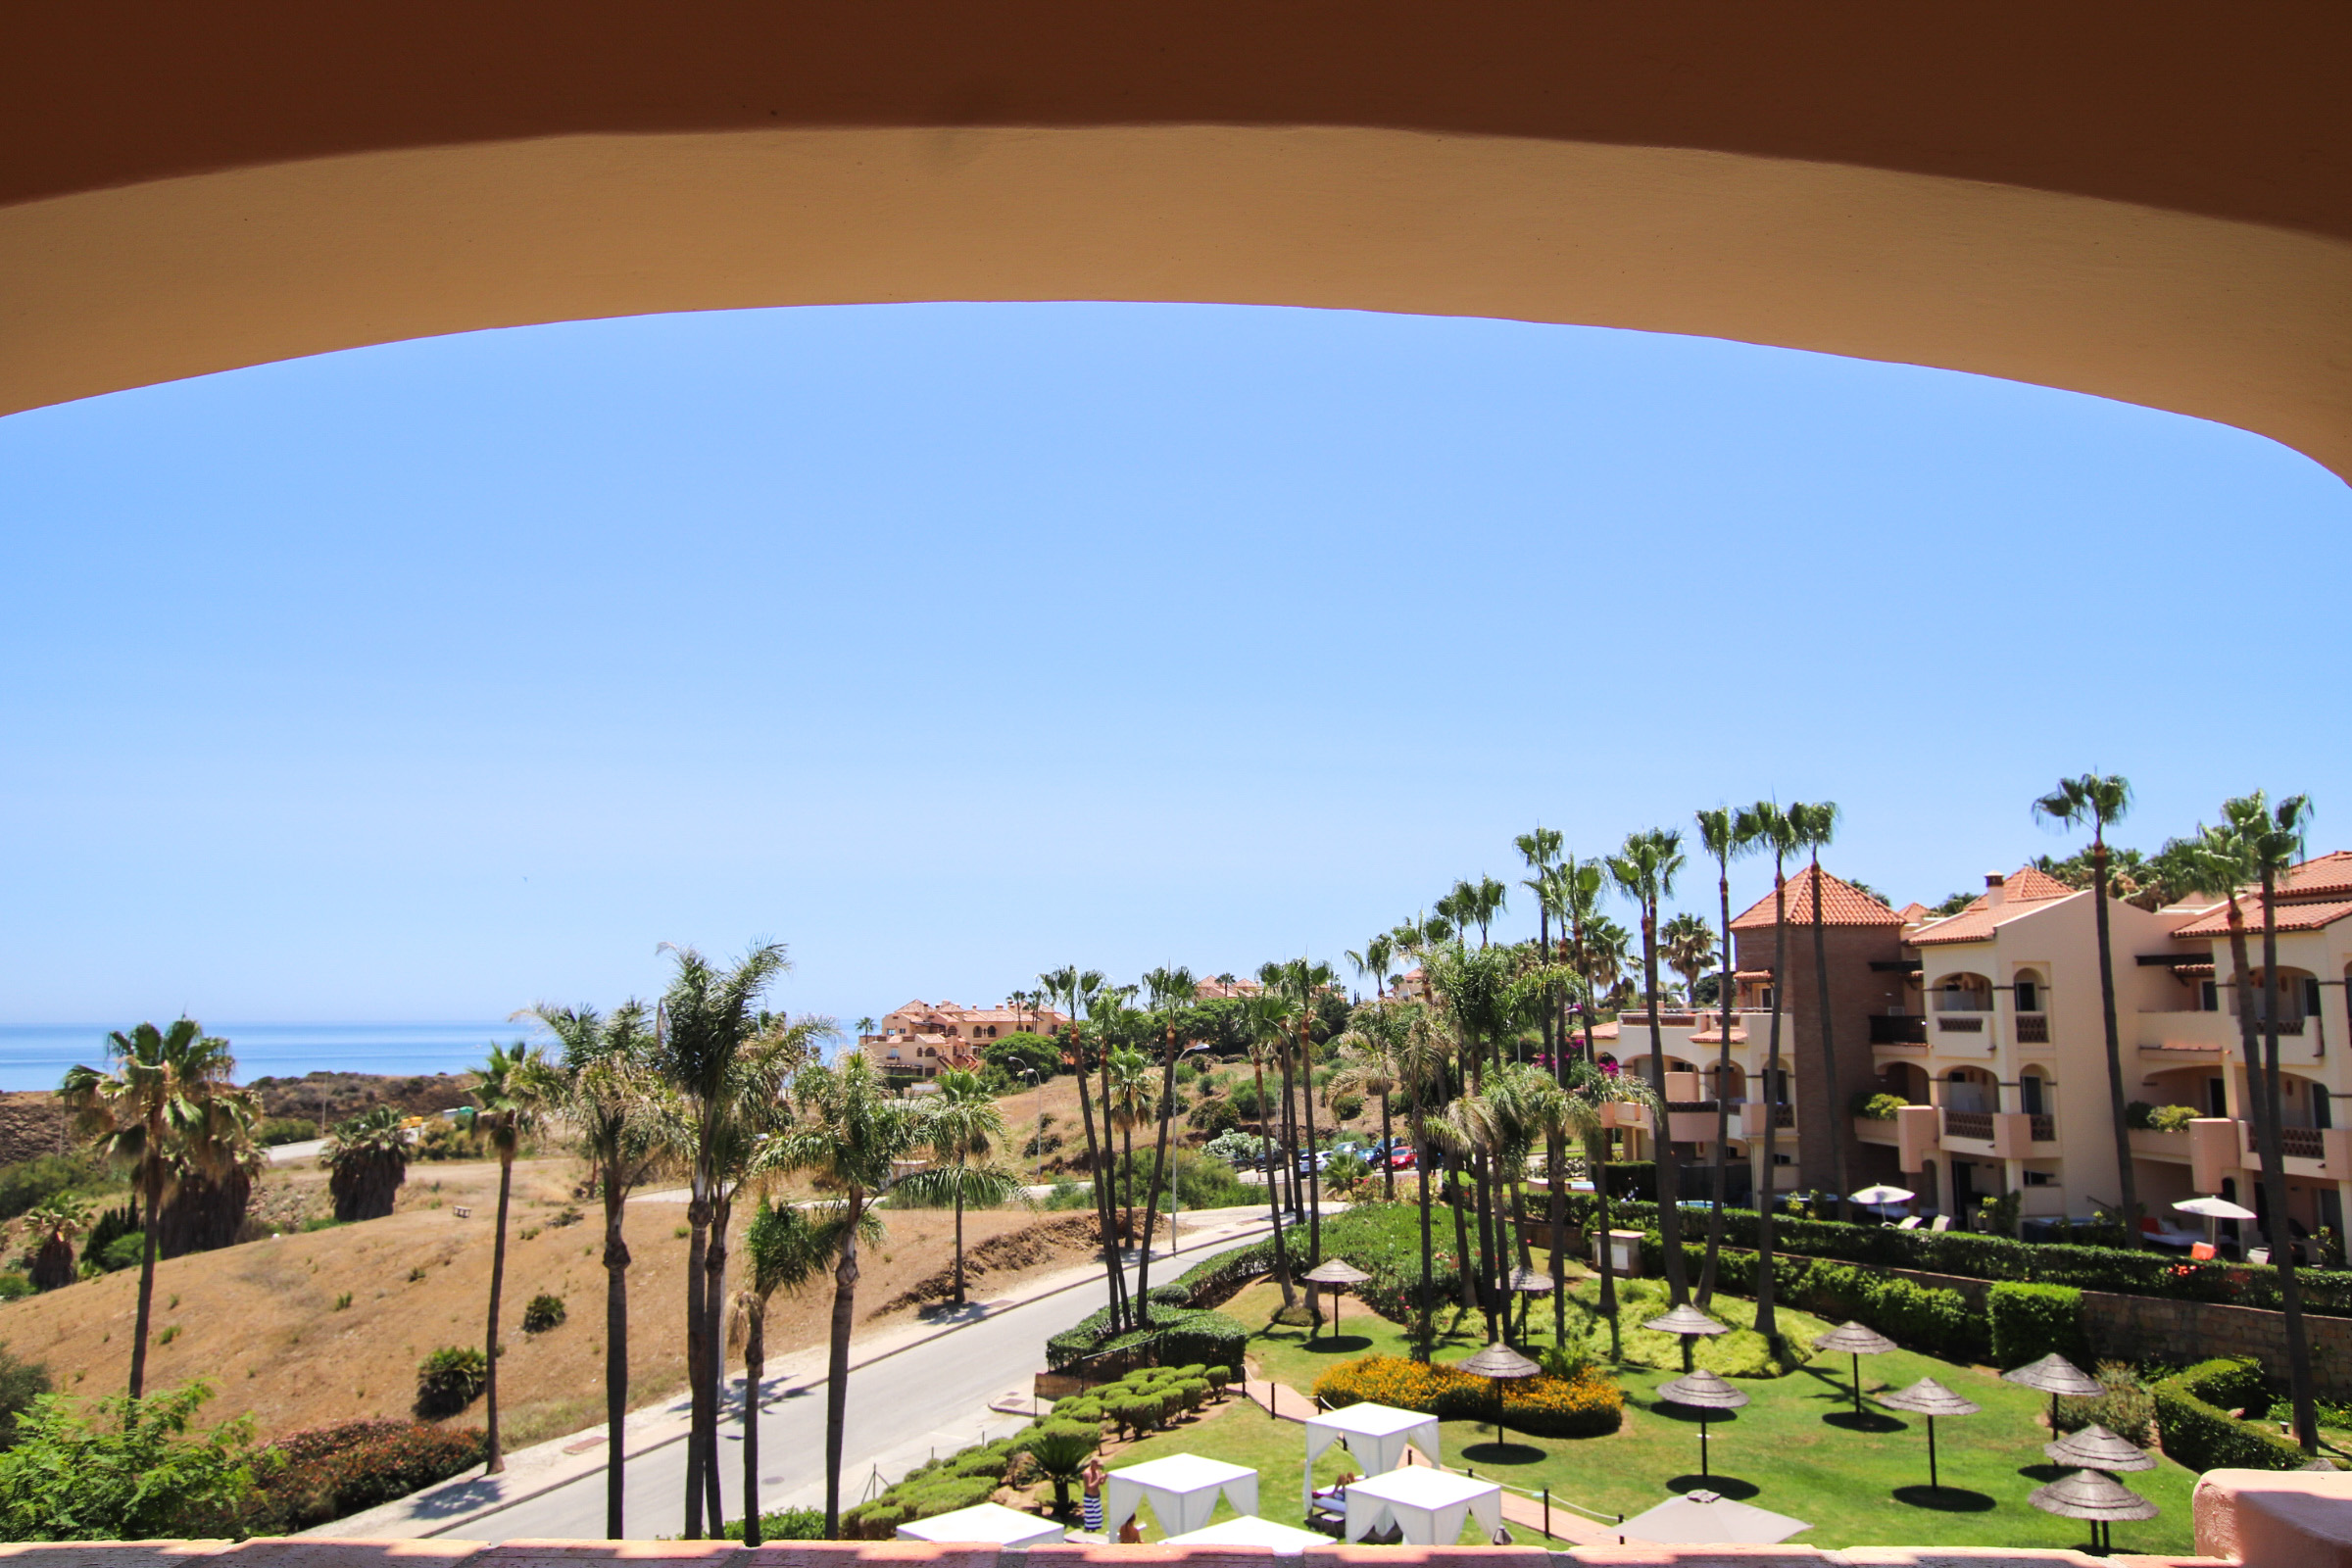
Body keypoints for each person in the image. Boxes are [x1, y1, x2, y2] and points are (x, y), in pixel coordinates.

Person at [1081, 1457, 1105, 1535]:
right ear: (1093, 1464)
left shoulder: (1097, 1472)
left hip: (1097, 1497)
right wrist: (1098, 1479)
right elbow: (1088, 1487)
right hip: (1089, 1497)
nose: (1098, 1467)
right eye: (1097, 1465)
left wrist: (1104, 1478)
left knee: (1097, 1517)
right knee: (1090, 1518)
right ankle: (1088, 1532)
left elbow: (1101, 1483)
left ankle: (1094, 1532)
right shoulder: (1087, 1473)